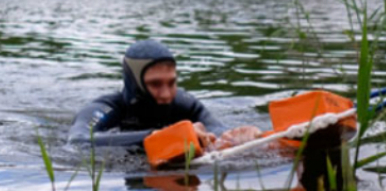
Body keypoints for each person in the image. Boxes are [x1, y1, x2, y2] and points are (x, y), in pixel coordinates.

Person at [68, 39, 260, 149]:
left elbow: (215, 129)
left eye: (172, 82)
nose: (167, 95)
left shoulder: (184, 103)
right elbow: (78, 141)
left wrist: (237, 137)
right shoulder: (106, 108)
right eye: (155, 84)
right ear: (135, 85)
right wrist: (159, 137)